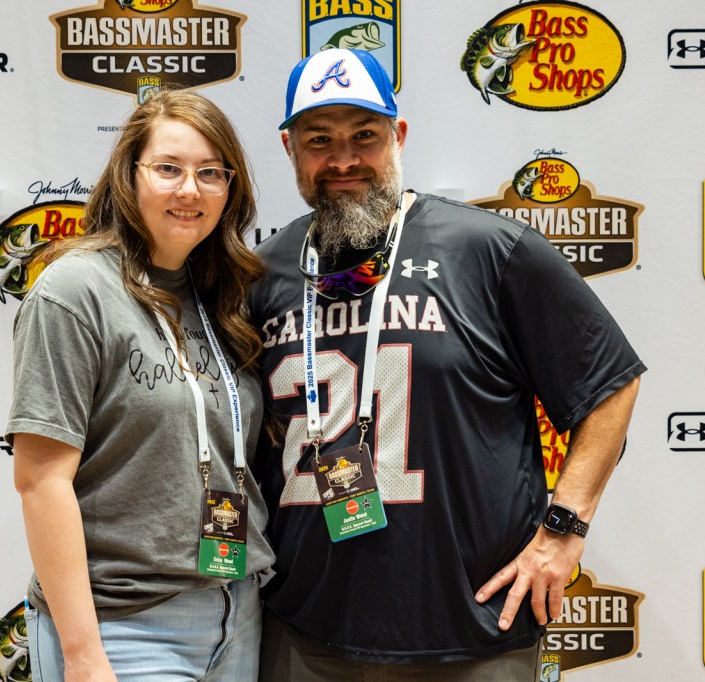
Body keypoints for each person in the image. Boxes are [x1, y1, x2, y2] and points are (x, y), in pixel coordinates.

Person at [248, 48, 645, 680]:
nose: (343, 159)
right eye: (319, 139)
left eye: (364, 136)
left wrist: (563, 531)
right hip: (305, 629)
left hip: (474, 630)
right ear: (290, 147)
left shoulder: (489, 249)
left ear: (398, 136)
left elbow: (609, 386)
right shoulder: (262, 271)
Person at [6, 89, 274, 682]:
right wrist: (83, 654)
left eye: (211, 172)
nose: (190, 189)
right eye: (168, 168)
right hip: (122, 626)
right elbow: (40, 481)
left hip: (237, 612)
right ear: (129, 176)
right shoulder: (75, 291)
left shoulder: (223, 300)